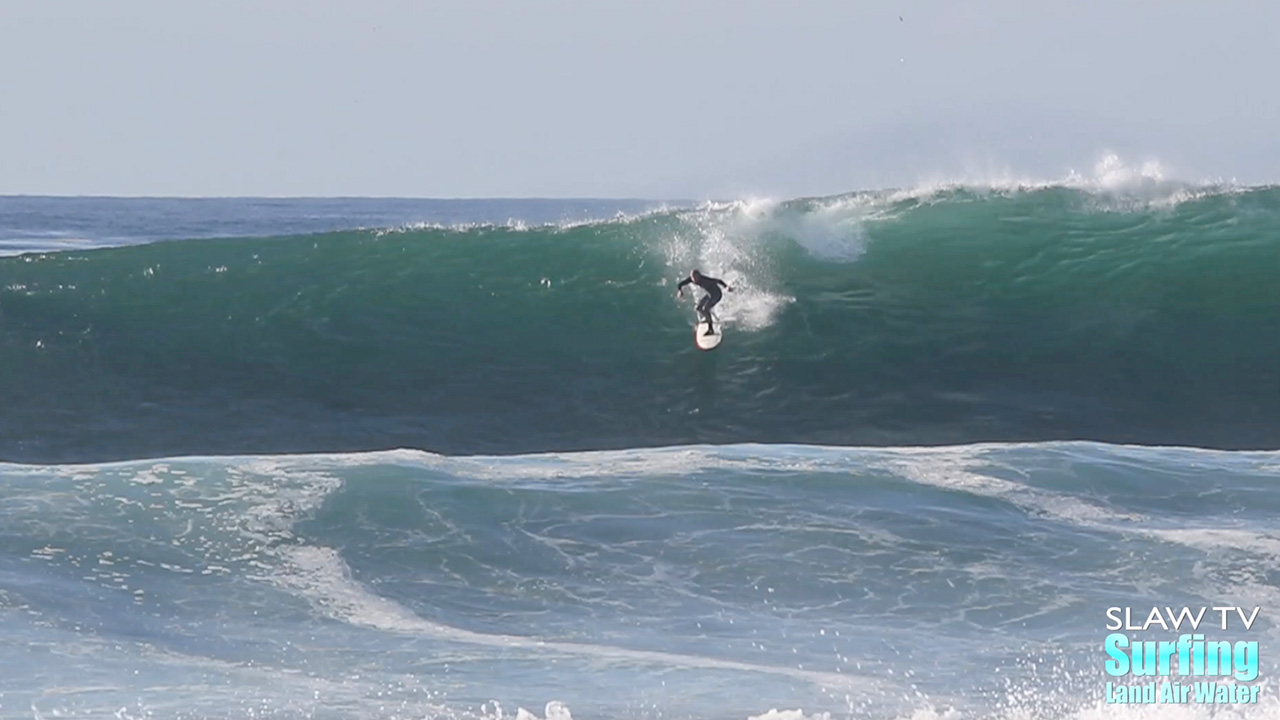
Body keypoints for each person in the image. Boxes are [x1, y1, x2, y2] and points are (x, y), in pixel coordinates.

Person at [676, 269, 733, 336]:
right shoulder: (691, 279)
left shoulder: (705, 279)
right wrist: (680, 291)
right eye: (692, 278)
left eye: (695, 278)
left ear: (699, 276)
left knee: (706, 309)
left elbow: (719, 281)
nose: (694, 280)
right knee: (698, 308)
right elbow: (680, 284)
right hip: (709, 294)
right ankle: (708, 318)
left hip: (717, 294)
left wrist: (727, 287)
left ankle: (710, 330)